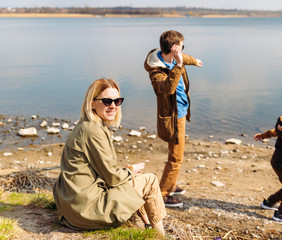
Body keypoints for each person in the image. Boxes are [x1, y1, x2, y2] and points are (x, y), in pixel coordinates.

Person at [53, 78, 166, 235]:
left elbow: (104, 171)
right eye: (107, 101)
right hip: (85, 210)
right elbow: (112, 177)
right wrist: (131, 171)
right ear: (92, 103)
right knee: (150, 180)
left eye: (117, 101)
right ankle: (160, 235)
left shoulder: (85, 125)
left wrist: (127, 172)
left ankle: (146, 225)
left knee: (129, 177)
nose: (113, 106)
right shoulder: (93, 131)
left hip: (72, 205)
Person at [144, 30, 202, 207]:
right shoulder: (156, 71)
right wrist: (178, 65)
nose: (183, 51)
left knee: (174, 154)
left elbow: (185, 57)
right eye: (182, 47)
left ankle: (170, 183)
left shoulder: (171, 57)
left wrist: (194, 61)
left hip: (181, 112)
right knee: (176, 158)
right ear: (174, 49)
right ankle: (163, 194)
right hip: (172, 118)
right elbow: (167, 89)